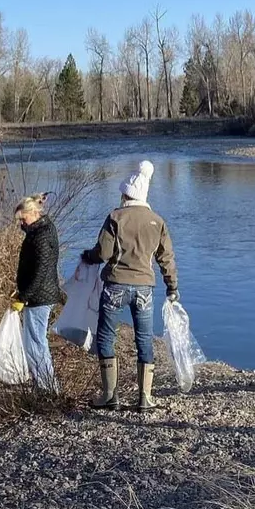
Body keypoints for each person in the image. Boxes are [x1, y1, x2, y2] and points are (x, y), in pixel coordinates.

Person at [81, 160, 178, 412]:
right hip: (145, 287)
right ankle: (145, 397)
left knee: (105, 337)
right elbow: (165, 258)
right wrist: (172, 287)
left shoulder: (115, 217)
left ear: (126, 194)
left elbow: (103, 253)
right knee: (144, 339)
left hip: (115, 285)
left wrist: (87, 257)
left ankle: (110, 396)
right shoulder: (158, 222)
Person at [13, 192, 61, 391]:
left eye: (23, 219)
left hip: (39, 297)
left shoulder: (41, 236)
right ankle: (46, 385)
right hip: (41, 294)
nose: (21, 224)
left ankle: (47, 388)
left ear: (33, 213)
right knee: (36, 341)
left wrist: (24, 297)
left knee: (35, 343)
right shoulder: (41, 230)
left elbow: (40, 270)